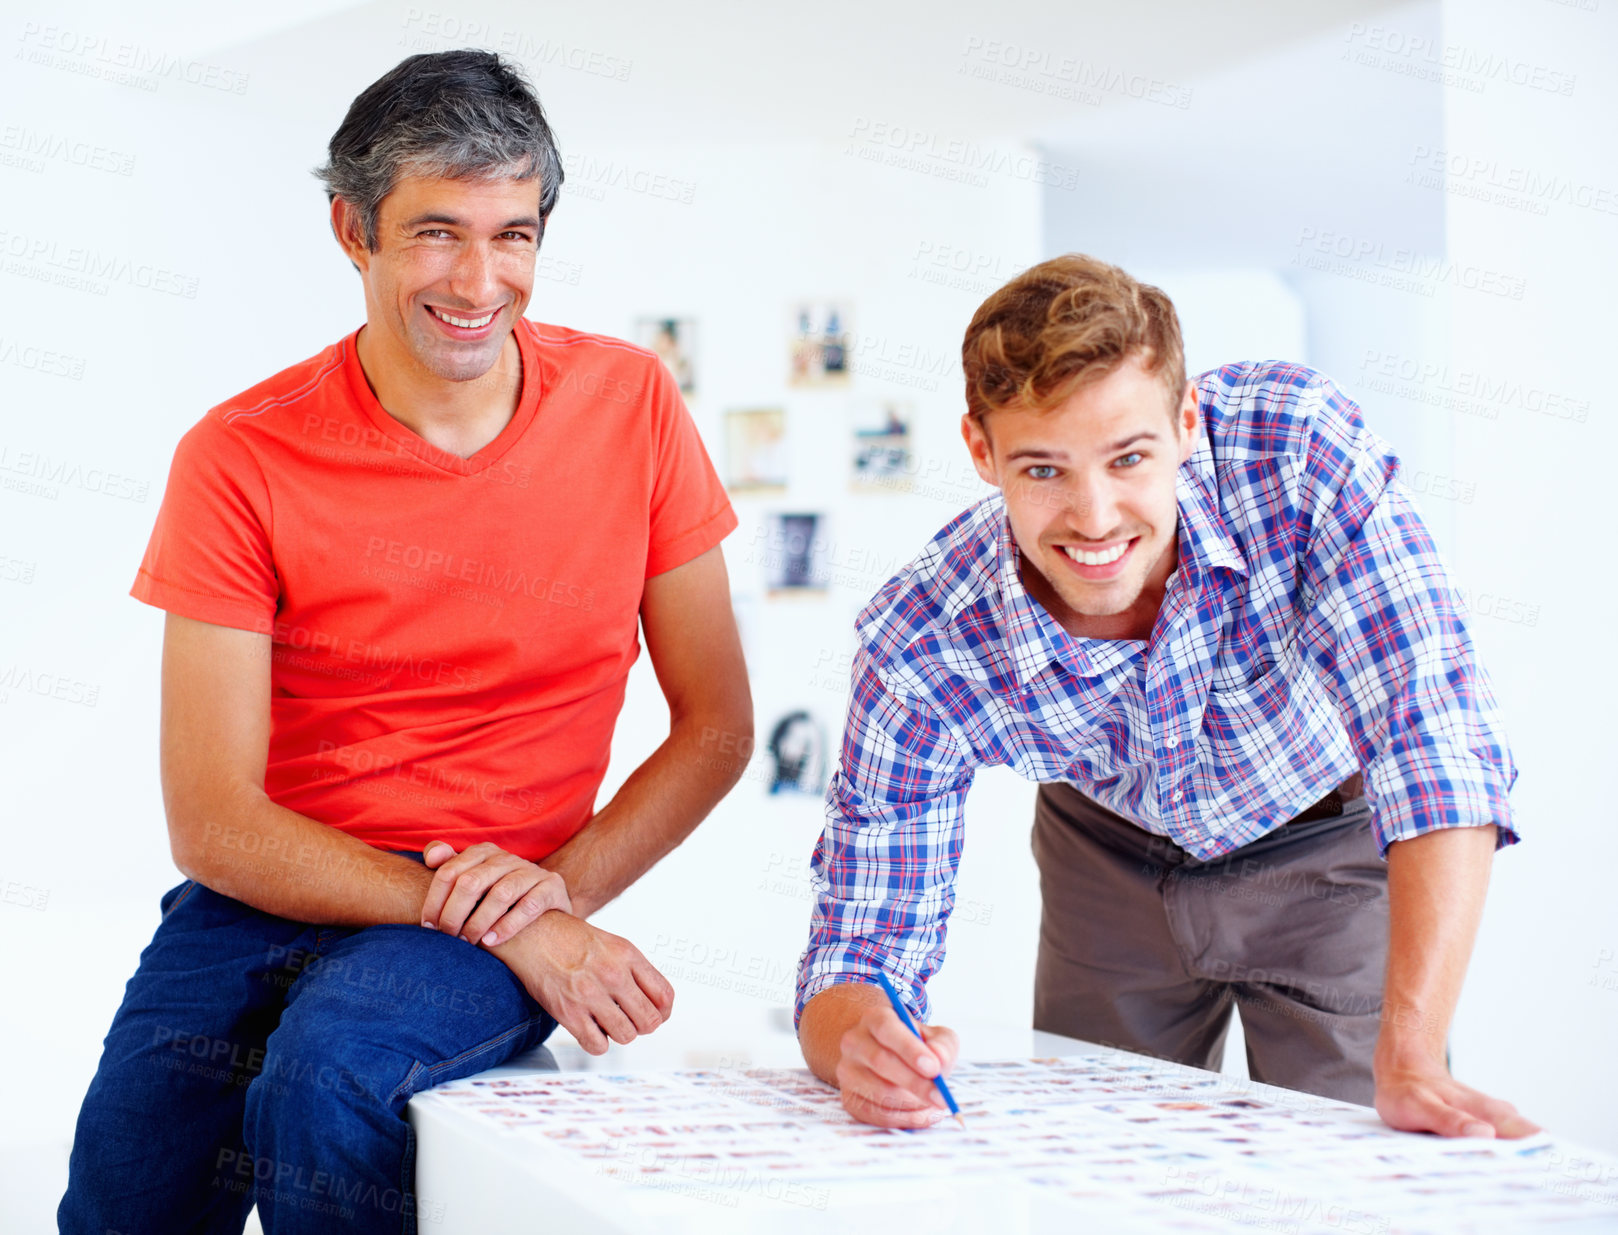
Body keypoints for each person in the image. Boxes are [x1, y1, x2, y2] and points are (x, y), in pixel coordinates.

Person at [58, 50, 751, 1235]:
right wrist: (503, 917)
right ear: (352, 228)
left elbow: (718, 725)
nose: (481, 279)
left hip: (506, 883)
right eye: (436, 232)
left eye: (514, 234)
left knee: (327, 1078)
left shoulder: (632, 405)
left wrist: (547, 900)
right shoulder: (239, 455)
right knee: (129, 1183)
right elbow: (214, 819)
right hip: (274, 889)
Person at [795, 253, 1535, 1142]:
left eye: (1129, 457)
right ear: (981, 453)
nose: (1096, 516)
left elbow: (1434, 731)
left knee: (1356, 1152)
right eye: (1042, 470)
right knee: (1094, 1164)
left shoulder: (1297, 452)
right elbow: (856, 945)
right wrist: (859, 1049)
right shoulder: (922, 642)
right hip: (1103, 854)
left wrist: (1410, 1050)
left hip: (1325, 843)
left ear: (1187, 423)